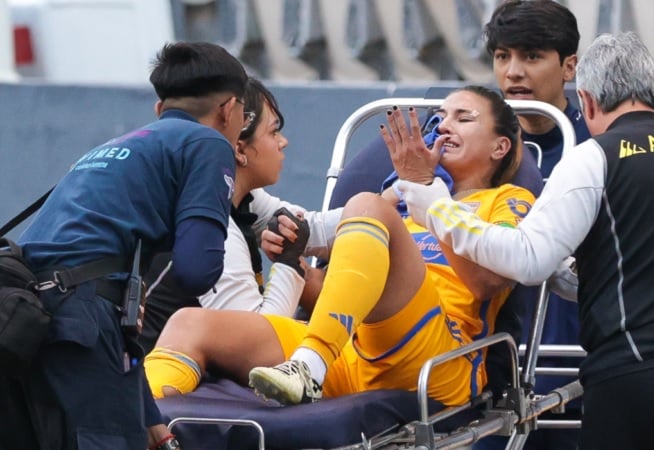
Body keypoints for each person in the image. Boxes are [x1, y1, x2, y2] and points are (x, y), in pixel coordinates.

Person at [395, 32, 654, 450]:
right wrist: (569, 272)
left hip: (641, 380)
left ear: (586, 103)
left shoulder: (596, 156)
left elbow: (528, 260)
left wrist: (434, 206)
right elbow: (652, 266)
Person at [144, 86, 534, 408]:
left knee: (367, 204)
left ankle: (308, 366)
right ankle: (139, 423)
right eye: (440, 119)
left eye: (463, 118)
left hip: (437, 358)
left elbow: (488, 281)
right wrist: (296, 264)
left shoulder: (507, 199)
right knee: (188, 323)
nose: (444, 126)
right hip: (345, 353)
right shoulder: (405, 203)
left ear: (499, 147)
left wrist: (423, 191)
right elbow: (342, 300)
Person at [5, 42, 249, 450]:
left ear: (159, 110)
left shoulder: (112, 148)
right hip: (80, 321)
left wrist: (148, 418)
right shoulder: (208, 144)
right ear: (228, 109)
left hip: (28, 321)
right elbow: (196, 268)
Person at [139, 77, 336, 354]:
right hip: (157, 386)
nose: (283, 142)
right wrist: (289, 262)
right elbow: (264, 342)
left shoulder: (238, 197)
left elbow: (312, 228)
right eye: (273, 132)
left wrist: (397, 196)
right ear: (240, 149)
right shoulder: (210, 229)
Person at [480, 1, 590, 448]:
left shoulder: (597, 148)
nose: (513, 72)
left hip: (576, 380)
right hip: (484, 382)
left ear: (569, 66)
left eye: (531, 56)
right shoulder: (469, 141)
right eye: (503, 56)